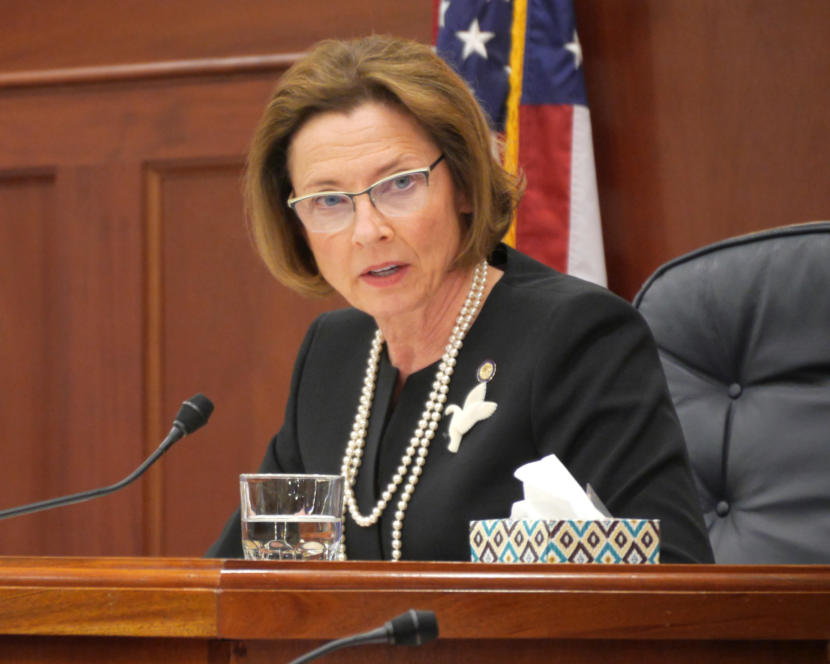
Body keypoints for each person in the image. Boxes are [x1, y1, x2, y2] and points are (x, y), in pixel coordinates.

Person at [207, 35, 713, 564]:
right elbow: (242, 577)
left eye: (400, 184)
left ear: (466, 184)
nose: (368, 230)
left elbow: (673, 580)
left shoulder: (574, 336)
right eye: (329, 200)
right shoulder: (331, 355)